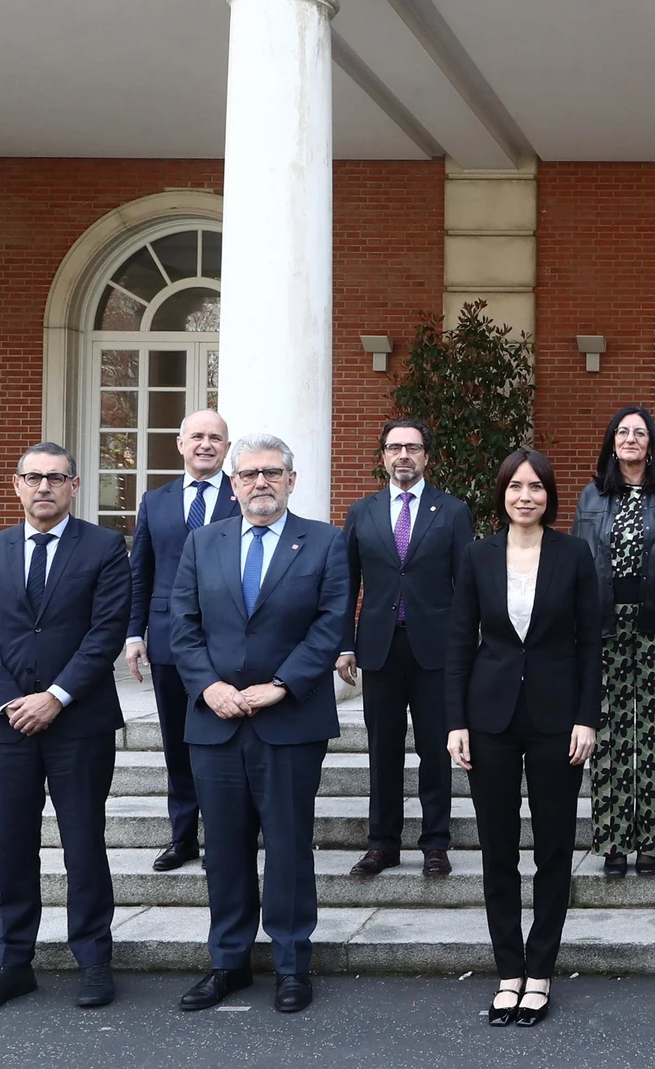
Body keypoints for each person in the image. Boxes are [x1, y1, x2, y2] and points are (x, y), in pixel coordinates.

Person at [170, 433, 349, 1014]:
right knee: (223, 848)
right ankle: (229, 962)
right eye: (248, 474)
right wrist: (210, 686)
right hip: (216, 721)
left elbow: (329, 625)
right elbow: (183, 623)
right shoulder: (203, 542)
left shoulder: (324, 542)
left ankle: (293, 964)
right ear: (234, 481)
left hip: (290, 720)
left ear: (291, 481)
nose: (260, 483)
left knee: (290, 846)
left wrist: (278, 687)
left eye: (272, 472)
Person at [0, 443, 131, 1014]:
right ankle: (11, 964)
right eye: (33, 477)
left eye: (56, 478)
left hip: (79, 720)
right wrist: (12, 703)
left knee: (83, 842)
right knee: (12, 845)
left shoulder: (105, 548)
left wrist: (54, 697)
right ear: (16, 484)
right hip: (8, 726)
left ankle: (95, 961)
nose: (44, 487)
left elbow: (106, 633)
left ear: (75, 487)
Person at [446, 449, 601, 1028]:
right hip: (489, 721)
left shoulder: (575, 554)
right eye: (515, 486)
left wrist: (588, 718)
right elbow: (459, 644)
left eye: (536, 487)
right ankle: (508, 971)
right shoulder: (476, 555)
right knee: (498, 852)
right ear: (502, 494)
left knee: (554, 850)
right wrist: (454, 723)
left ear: (549, 495)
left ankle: (541, 972)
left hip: (558, 721)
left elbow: (591, 644)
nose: (526, 496)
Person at [336, 419, 474, 878]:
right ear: (383, 457)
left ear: (426, 458)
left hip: (435, 651)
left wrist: (465, 649)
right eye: (395, 448)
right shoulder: (362, 512)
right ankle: (383, 844)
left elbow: (466, 586)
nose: (403, 456)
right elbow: (345, 584)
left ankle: (435, 843)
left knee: (436, 750)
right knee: (384, 750)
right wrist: (343, 645)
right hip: (378, 648)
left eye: (412, 448)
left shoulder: (452, 512)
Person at [572, 406, 655, 877]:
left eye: (639, 433)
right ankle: (613, 843)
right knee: (607, 736)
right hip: (603, 630)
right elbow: (579, 570)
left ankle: (653, 843)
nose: (629, 439)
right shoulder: (592, 497)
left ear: (651, 444)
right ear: (611, 441)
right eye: (621, 431)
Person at [124, 410, 238, 872]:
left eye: (215, 437)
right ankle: (183, 837)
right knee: (178, 742)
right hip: (170, 639)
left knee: (226, 741)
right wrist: (134, 632)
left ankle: (229, 837)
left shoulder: (244, 491)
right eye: (197, 436)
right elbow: (140, 572)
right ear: (180, 443)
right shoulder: (156, 501)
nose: (205, 444)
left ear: (227, 448)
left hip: (229, 642)